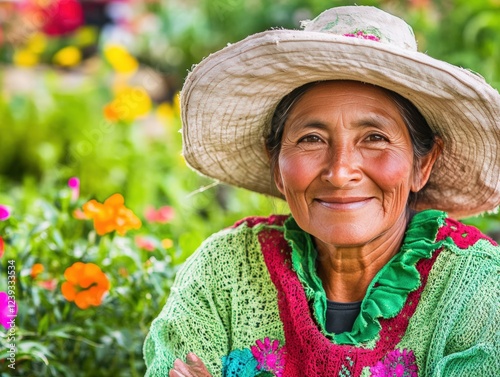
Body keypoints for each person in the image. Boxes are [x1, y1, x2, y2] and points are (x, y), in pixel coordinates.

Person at [143, 6, 500, 377]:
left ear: (422, 164)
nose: (340, 171)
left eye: (375, 138)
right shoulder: (225, 270)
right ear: (276, 164)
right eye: (311, 139)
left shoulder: (477, 288)